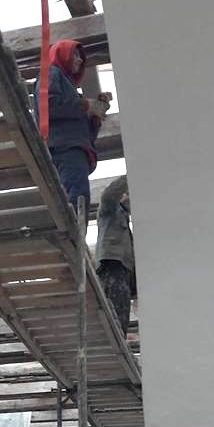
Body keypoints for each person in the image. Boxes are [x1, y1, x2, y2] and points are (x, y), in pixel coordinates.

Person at [34, 39, 110, 211]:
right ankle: (75, 227)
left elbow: (85, 136)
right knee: (76, 199)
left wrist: (95, 117)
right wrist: (86, 105)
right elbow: (49, 105)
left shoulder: (70, 90)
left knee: (77, 198)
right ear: (62, 55)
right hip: (65, 149)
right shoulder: (51, 72)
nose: (80, 59)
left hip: (70, 149)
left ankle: (75, 226)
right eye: (74, 54)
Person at [95, 175, 136, 336]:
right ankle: (115, 339)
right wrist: (130, 176)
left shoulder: (125, 218)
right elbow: (109, 195)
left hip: (123, 270)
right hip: (112, 265)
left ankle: (119, 339)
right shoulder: (110, 210)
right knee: (115, 309)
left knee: (122, 310)